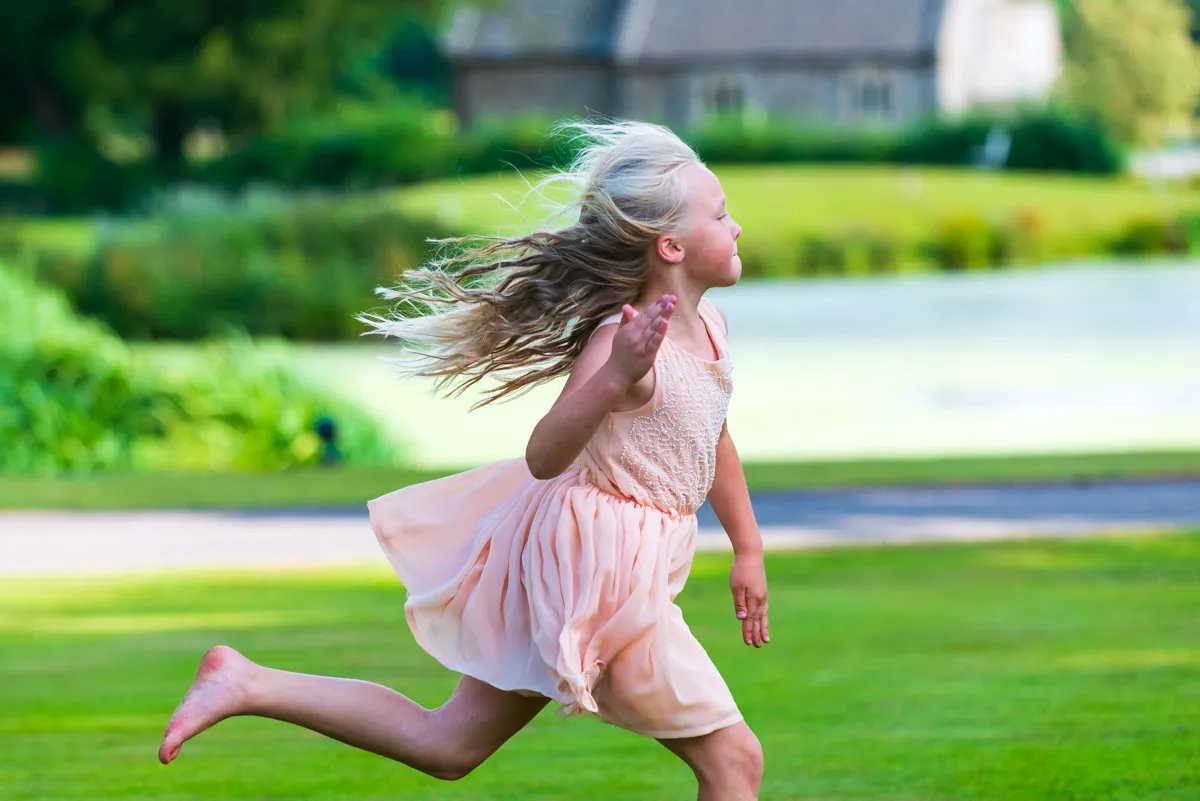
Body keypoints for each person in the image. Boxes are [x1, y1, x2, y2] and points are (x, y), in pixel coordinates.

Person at [157, 119, 771, 801]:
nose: (737, 226)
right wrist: (612, 379)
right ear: (673, 245)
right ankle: (243, 681)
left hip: (609, 557)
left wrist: (747, 545)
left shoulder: (707, 329)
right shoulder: (623, 342)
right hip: (598, 570)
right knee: (734, 762)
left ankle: (246, 681)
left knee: (449, 743)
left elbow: (712, 434)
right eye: (721, 214)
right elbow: (544, 453)